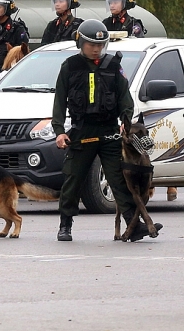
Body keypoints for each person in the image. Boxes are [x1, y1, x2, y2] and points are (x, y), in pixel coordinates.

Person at [52, 19, 162, 242]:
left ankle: (134, 223)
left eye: (100, 45)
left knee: (119, 179)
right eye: (92, 44)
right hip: (81, 131)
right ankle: (65, 225)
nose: (96, 49)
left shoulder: (113, 66)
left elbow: (125, 99)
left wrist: (126, 121)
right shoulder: (70, 66)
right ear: (81, 43)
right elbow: (59, 101)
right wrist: (58, 131)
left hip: (110, 131)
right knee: (73, 178)